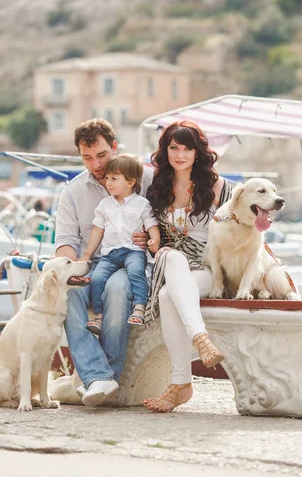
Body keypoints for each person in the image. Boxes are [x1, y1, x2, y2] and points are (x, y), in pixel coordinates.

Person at [54, 118, 153, 407]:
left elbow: (164, 224)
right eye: (87, 158)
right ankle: (100, 377)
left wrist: (150, 238)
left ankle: (100, 376)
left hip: (132, 261)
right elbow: (67, 241)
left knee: (120, 289)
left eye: (101, 156)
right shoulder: (72, 192)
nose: (96, 165)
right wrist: (65, 267)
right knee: (69, 291)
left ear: (114, 147)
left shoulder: (143, 178)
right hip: (91, 263)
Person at [142, 120, 232, 413]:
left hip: (208, 268)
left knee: (170, 296)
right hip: (171, 264)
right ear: (165, 150)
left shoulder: (218, 186)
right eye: (173, 148)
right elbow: (151, 231)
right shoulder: (157, 188)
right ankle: (200, 340)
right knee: (170, 256)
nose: (180, 155)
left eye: (187, 148)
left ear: (198, 152)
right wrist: (146, 236)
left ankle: (181, 385)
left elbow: (239, 231)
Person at [81, 154, 160, 333]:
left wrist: (155, 240)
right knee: (97, 278)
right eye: (107, 178)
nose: (108, 182)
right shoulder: (104, 205)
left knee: (135, 272)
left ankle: (140, 307)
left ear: (130, 182)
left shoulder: (141, 204)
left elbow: (152, 225)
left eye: (114, 179)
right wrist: (87, 255)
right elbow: (97, 230)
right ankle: (99, 316)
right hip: (109, 253)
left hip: (133, 251)